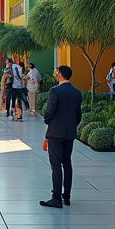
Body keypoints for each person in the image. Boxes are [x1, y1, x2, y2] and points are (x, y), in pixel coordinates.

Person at [40, 65, 83, 208]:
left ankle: (56, 198)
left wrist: (47, 121)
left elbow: (49, 111)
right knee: (67, 163)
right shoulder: (76, 92)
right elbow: (78, 115)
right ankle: (67, 196)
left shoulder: (55, 91)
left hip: (55, 133)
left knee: (56, 165)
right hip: (69, 133)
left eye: (56, 72)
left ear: (60, 75)